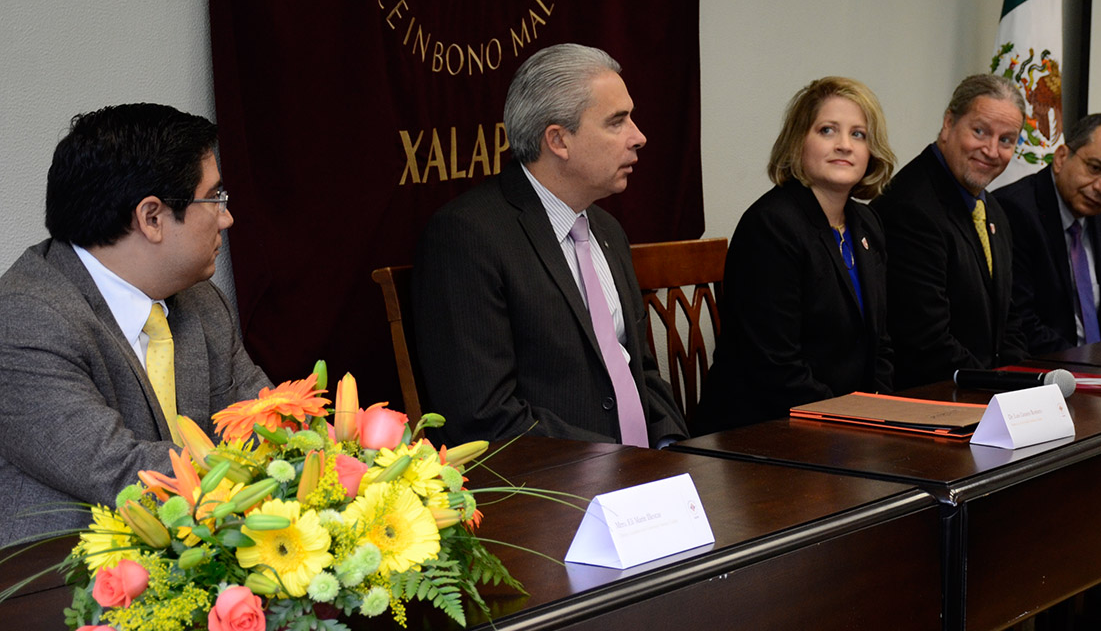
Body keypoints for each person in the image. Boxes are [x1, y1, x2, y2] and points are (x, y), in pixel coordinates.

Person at [0, 104, 272, 543]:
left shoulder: (201, 301)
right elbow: (121, 472)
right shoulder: (24, 319)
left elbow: (264, 420)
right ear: (151, 218)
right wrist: (275, 470)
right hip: (62, 584)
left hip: (197, 557)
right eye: (215, 198)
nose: (227, 217)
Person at [412, 43, 687, 446]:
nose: (639, 137)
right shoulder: (467, 237)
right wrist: (618, 466)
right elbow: (485, 416)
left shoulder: (607, 229)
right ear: (558, 140)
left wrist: (672, 449)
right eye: (617, 122)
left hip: (642, 481)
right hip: (554, 491)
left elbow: (640, 371)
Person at [692, 77, 896, 434]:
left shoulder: (867, 223)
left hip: (844, 428)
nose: (844, 145)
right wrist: (854, 425)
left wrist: (882, 413)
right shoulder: (772, 225)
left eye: (858, 134)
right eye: (828, 130)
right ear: (798, 141)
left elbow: (881, 346)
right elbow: (775, 367)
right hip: (762, 432)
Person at [873, 74, 1028, 388]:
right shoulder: (911, 207)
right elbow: (926, 342)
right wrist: (999, 388)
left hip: (982, 395)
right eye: (980, 131)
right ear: (948, 124)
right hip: (932, 402)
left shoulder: (991, 207)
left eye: (1007, 140)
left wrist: (1019, 384)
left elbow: (1008, 320)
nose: (992, 150)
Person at [994, 115, 1101, 355]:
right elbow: (1020, 324)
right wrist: (1086, 371)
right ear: (1061, 158)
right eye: (1095, 168)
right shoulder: (1014, 211)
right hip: (1043, 376)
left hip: (1092, 376)